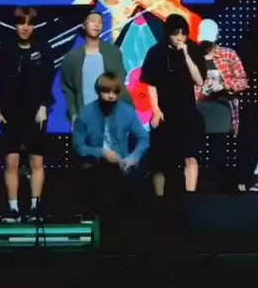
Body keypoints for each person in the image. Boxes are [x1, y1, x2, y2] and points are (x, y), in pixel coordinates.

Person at [0, 7, 55, 223]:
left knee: (36, 159)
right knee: (11, 161)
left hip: (35, 112)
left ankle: (35, 208)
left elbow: (48, 80)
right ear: (15, 25)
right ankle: (13, 209)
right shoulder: (4, 48)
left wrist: (44, 106)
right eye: (21, 23)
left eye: (29, 23)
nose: (25, 27)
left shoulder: (43, 48)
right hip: (10, 111)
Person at [140, 14, 207, 195]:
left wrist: (186, 55)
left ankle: (190, 196)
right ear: (168, 33)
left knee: (191, 156)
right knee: (159, 160)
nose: (179, 38)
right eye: (175, 33)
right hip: (164, 111)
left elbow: (199, 81)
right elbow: (151, 84)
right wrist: (156, 109)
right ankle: (159, 199)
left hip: (187, 111)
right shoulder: (156, 52)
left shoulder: (193, 49)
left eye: (183, 33)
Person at [72, 72, 150, 222]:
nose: (111, 96)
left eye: (115, 92)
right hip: (94, 168)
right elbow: (79, 146)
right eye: (107, 91)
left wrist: (133, 157)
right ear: (98, 91)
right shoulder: (85, 114)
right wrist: (101, 152)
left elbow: (144, 138)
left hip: (121, 167)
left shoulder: (127, 111)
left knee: (134, 190)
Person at [194, 19, 249, 192]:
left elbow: (243, 82)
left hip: (222, 112)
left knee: (219, 157)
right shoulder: (192, 56)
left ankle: (218, 191)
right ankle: (197, 190)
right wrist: (201, 89)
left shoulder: (229, 55)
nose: (206, 45)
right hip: (198, 111)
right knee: (195, 155)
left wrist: (224, 85)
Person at [61, 11, 132, 128]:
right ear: (83, 25)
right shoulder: (72, 57)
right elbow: (68, 89)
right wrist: (73, 115)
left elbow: (120, 83)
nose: (96, 24)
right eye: (92, 21)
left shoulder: (113, 52)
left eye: (100, 22)